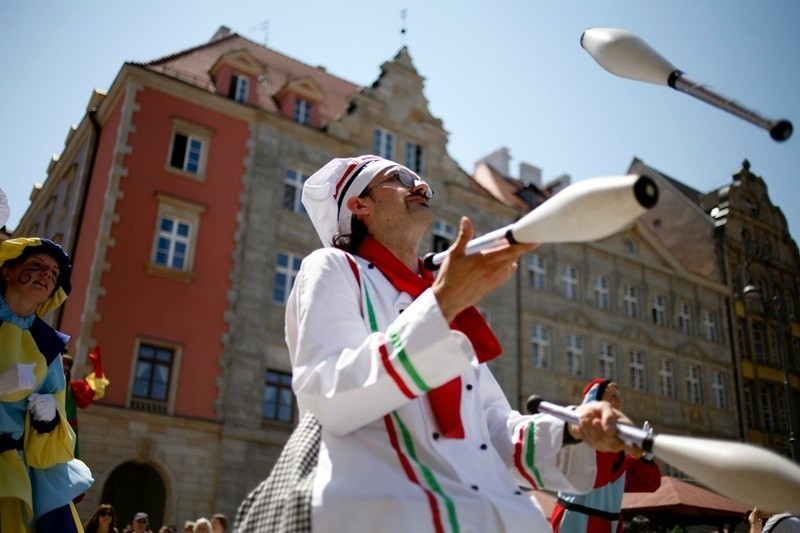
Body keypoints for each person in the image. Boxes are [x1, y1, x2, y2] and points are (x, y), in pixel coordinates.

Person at [234, 155, 641, 532]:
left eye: (419, 179)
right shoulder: (333, 267)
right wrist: (442, 303)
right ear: (359, 205)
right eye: (399, 179)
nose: (421, 186)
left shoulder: (443, 304)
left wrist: (575, 431)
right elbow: (329, 395)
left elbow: (495, 434)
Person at [0, 237, 94, 531]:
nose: (46, 275)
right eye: (37, 266)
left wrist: (49, 418)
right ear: (8, 272)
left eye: (53, 274)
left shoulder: (49, 347)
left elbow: (60, 436)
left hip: (19, 475)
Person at [550, 379, 662, 532]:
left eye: (619, 397)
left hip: (607, 524)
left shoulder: (617, 450)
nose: (620, 402)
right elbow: (597, 478)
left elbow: (649, 484)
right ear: (595, 400)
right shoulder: (579, 435)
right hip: (576, 521)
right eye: (613, 397)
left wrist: (644, 457)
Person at [63, 345, 110, 457]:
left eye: (66, 370)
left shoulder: (73, 389)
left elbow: (92, 390)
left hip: (66, 433)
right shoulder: (43, 385)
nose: (63, 373)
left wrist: (97, 367)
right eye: (61, 369)